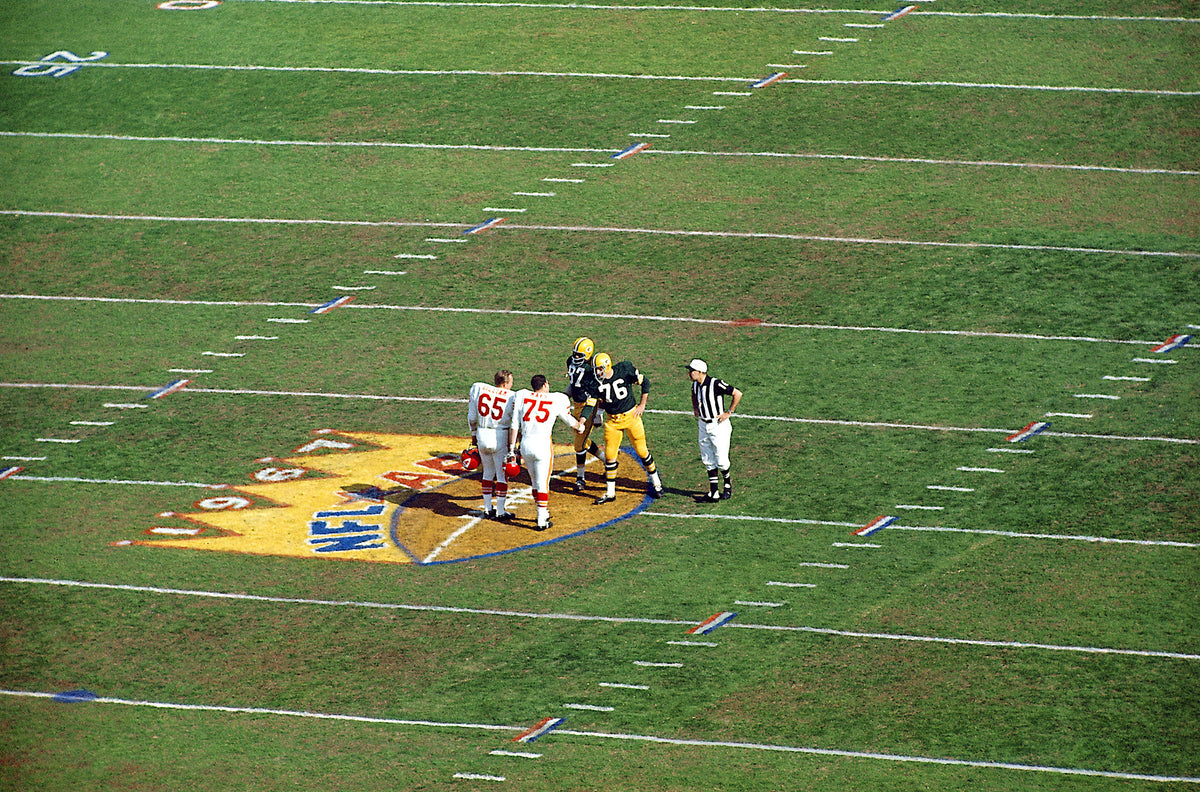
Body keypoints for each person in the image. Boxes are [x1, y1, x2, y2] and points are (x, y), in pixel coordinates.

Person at [501, 374, 586, 530]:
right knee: (543, 484)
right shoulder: (555, 399)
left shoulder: (523, 395)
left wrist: (512, 449)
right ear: (545, 385)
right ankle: (541, 519)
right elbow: (568, 419)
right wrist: (580, 427)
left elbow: (514, 425)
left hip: (525, 444)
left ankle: (543, 513)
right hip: (542, 445)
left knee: (534, 482)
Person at [590, 352, 664, 504]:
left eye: (599, 369)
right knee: (610, 456)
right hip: (613, 422)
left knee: (643, 452)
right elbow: (602, 400)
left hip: (631, 417)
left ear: (607, 365)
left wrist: (642, 404)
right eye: (596, 369)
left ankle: (657, 484)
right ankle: (610, 493)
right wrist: (598, 413)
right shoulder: (596, 382)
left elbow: (646, 382)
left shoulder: (624, 370)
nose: (597, 372)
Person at [687, 358, 742, 501]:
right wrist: (695, 408)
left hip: (718, 425)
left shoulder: (715, 383)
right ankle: (714, 492)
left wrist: (728, 412)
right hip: (703, 424)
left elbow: (737, 393)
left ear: (700, 372)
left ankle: (728, 486)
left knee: (721, 459)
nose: (689, 373)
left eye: (691, 371)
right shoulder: (695, 385)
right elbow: (694, 395)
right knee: (707, 458)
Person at [467, 370, 516, 519]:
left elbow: (472, 417)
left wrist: (474, 435)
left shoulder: (479, 388)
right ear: (505, 383)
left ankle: (488, 508)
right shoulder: (512, 396)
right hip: (499, 435)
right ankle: (500, 511)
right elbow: (515, 422)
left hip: (482, 433)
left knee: (487, 472)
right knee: (502, 475)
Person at [565, 336, 605, 491]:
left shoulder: (592, 370)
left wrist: (589, 417)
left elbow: (595, 396)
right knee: (582, 439)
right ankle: (608, 461)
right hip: (576, 403)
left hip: (588, 406)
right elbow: (573, 384)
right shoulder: (570, 361)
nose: (575, 358)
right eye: (574, 354)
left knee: (579, 444)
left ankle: (580, 478)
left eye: (579, 355)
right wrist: (563, 396)